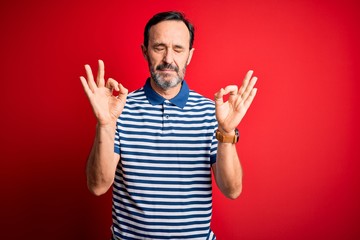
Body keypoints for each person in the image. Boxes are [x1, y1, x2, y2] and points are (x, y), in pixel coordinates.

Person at [80, 11, 257, 240]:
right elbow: (98, 186)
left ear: (189, 56)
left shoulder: (213, 112)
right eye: (159, 47)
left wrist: (226, 131)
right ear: (145, 52)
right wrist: (105, 124)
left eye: (178, 49)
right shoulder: (118, 109)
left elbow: (232, 190)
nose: (168, 59)